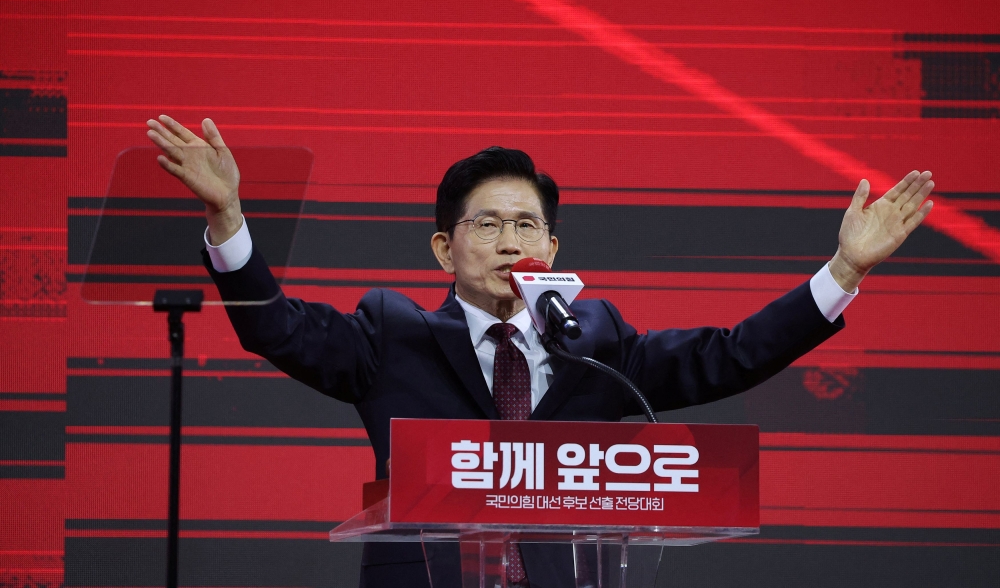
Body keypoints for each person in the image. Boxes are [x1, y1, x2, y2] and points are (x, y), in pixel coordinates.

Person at [146, 114, 934, 588]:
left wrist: (844, 271)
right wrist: (229, 219)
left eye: (526, 226)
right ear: (442, 249)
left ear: (552, 246)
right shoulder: (390, 335)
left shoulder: (598, 343)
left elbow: (728, 356)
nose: (508, 242)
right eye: (486, 225)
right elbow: (273, 325)